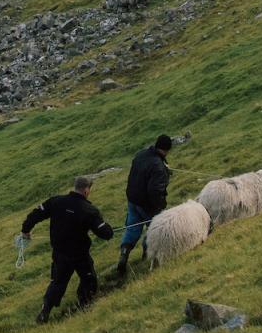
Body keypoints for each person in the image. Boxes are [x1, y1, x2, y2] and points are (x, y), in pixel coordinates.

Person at [22, 174, 116, 322]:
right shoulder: (89, 210)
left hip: (60, 253)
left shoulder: (56, 202)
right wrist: (109, 231)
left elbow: (36, 214)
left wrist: (26, 229)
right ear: (86, 190)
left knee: (58, 282)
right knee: (88, 279)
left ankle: (45, 310)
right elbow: (104, 232)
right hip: (80, 254)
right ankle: (84, 305)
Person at [115, 133, 175, 276]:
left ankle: (124, 254)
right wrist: (161, 206)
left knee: (132, 228)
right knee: (152, 228)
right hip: (147, 204)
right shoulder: (158, 166)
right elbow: (155, 190)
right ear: (166, 149)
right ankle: (146, 255)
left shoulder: (141, 154)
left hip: (132, 199)